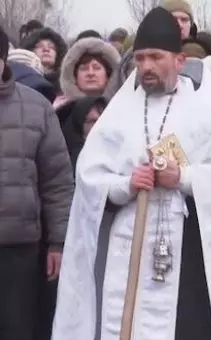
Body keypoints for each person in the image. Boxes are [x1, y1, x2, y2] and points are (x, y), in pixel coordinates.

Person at [50, 7, 211, 340]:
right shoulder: (120, 111)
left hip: (189, 253)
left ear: (179, 61)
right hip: (128, 248)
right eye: (139, 59)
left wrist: (183, 178)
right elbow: (90, 175)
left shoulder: (208, 109)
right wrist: (125, 184)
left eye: (155, 57)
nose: (146, 67)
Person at [0, 26, 74, 340]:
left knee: (17, 329)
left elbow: (57, 181)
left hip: (19, 249)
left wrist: (59, 242)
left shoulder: (36, 107)